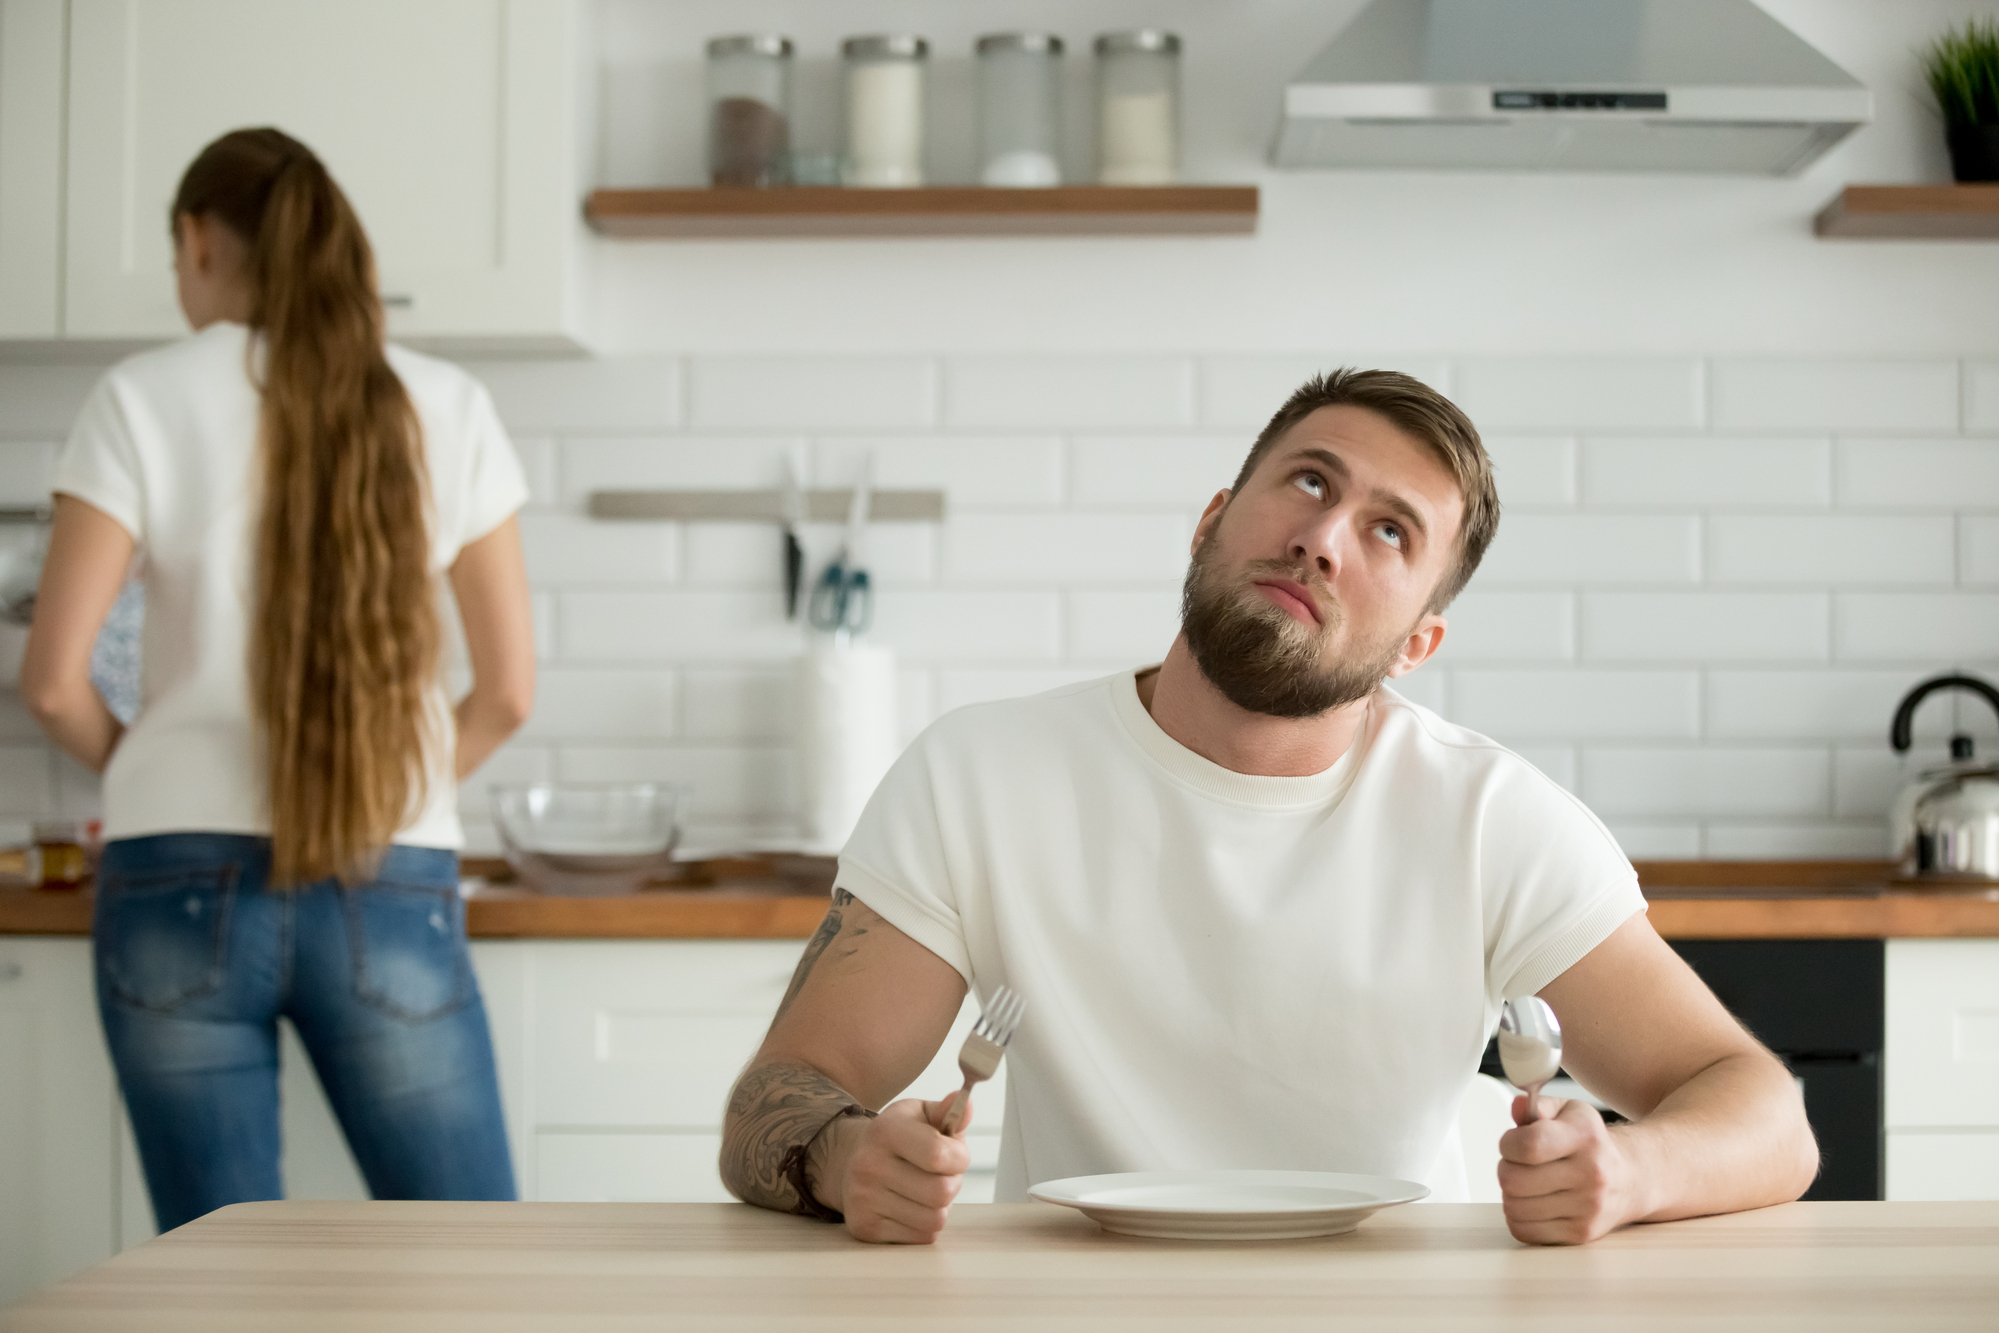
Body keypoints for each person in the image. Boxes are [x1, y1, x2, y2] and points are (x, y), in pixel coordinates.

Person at [721, 369, 1819, 1247]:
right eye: (1307, 482)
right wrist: (847, 1160)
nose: (1325, 536)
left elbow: (1763, 1114)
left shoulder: (1490, 816)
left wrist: (1627, 1171)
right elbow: (780, 1096)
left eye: (1390, 531)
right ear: (1210, 521)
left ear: (1419, 642)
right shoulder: (979, 774)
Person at [20, 128, 535, 1232]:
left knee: (216, 1275)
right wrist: (397, 786)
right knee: (476, 1260)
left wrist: (155, 770)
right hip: (388, 866)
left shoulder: (138, 397)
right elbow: (507, 692)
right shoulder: (445, 405)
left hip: (170, 878)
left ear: (200, 242)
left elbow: (53, 682)